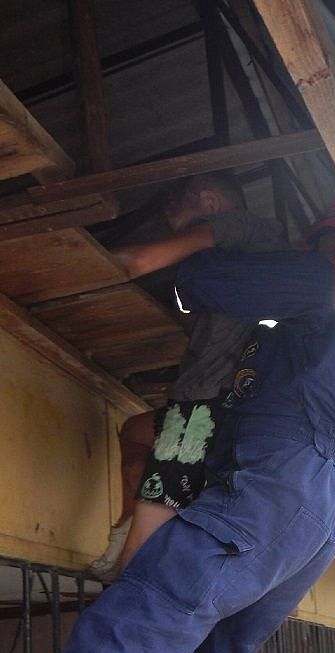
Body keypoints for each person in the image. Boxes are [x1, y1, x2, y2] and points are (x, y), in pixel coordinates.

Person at [4, 197, 335, 653]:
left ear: (328, 244)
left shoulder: (331, 279)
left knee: (134, 619)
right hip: (319, 514)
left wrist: (211, 254)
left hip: (277, 487)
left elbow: (206, 285)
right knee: (223, 649)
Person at [87, 174, 286, 581]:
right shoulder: (249, 262)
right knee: (138, 430)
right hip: (230, 402)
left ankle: (128, 579)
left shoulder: (240, 223)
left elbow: (139, 261)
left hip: (205, 403)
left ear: (208, 200)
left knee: (152, 522)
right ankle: (128, 529)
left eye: (183, 223)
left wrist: (80, 262)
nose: (180, 235)